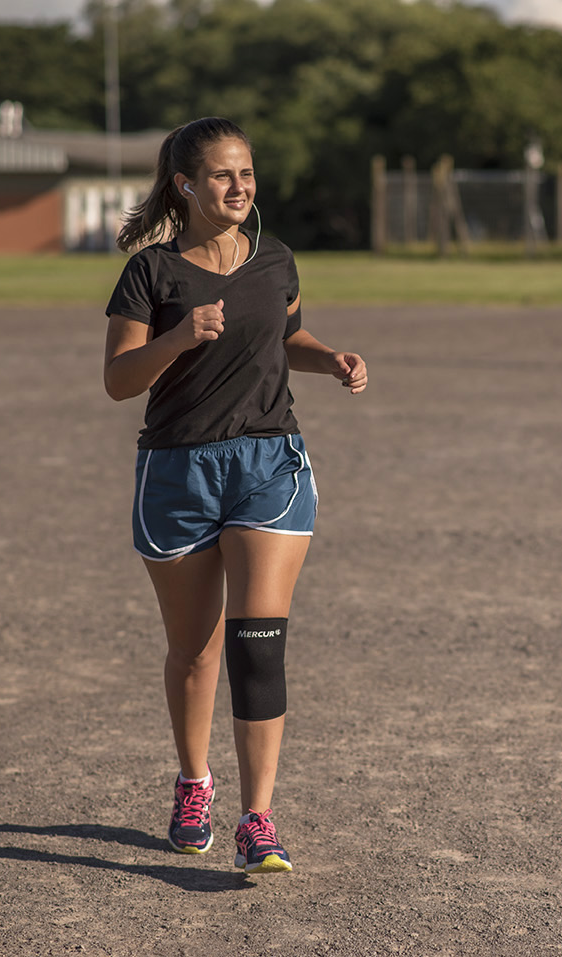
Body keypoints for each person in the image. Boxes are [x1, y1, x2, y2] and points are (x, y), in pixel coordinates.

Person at [102, 116, 367, 875]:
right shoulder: (150, 274)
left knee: (258, 644)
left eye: (247, 173)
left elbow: (286, 338)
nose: (240, 187)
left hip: (268, 465)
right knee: (195, 652)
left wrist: (332, 358)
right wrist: (180, 336)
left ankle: (259, 817)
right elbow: (120, 380)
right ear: (184, 186)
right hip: (178, 472)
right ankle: (194, 783)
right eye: (223, 175)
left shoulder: (274, 257)